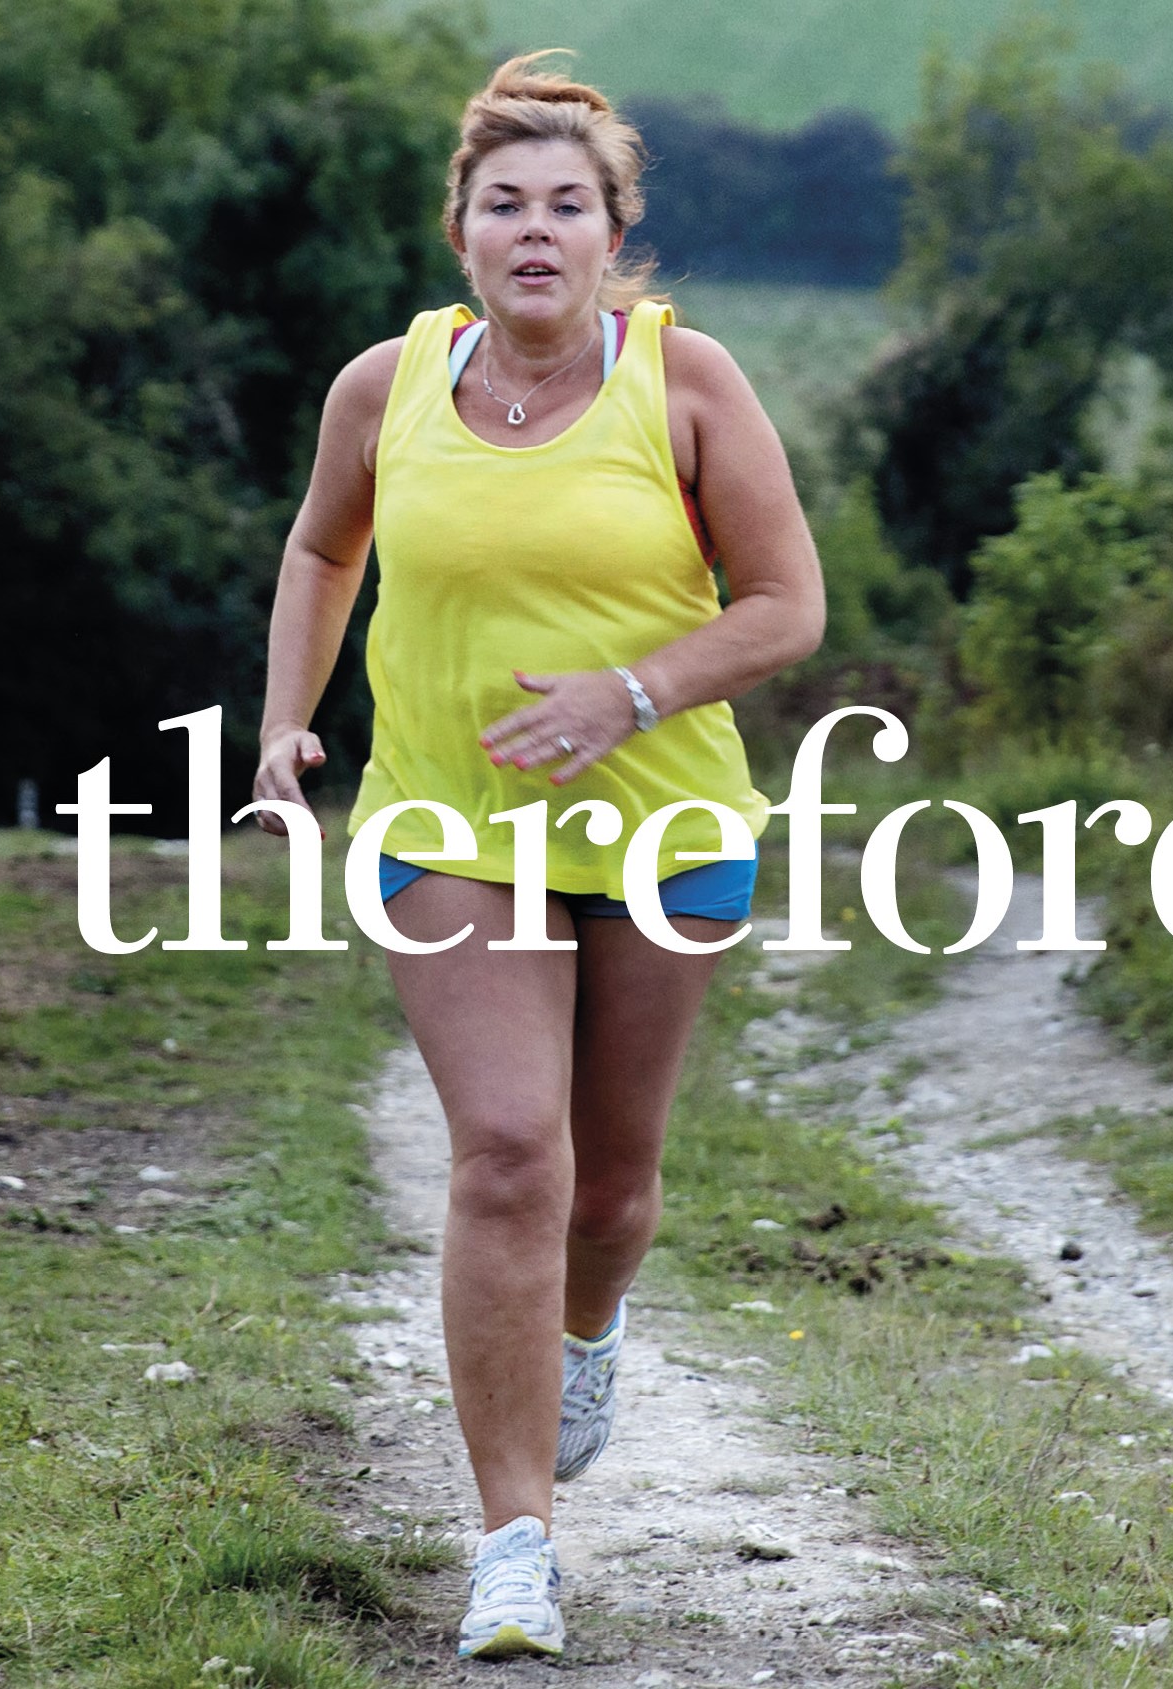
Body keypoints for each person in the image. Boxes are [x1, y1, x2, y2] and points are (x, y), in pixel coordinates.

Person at [249, 51, 826, 1661]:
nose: (534, 231)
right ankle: (515, 1539)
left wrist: (626, 693)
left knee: (610, 1185)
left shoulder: (686, 381)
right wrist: (288, 721)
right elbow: (321, 543)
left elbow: (788, 608)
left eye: (566, 206)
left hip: (663, 819)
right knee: (510, 1150)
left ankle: (586, 1326)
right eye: (503, 203)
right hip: (446, 815)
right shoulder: (387, 386)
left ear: (610, 232)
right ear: (460, 232)